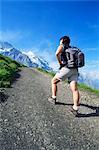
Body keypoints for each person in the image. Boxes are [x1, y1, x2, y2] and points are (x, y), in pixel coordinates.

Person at [48, 36, 80, 116]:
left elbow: (57, 53)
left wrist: (60, 63)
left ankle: (53, 98)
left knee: (53, 81)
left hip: (66, 68)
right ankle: (75, 108)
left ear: (62, 41)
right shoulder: (73, 48)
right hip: (75, 70)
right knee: (75, 89)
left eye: (60, 41)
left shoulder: (62, 46)